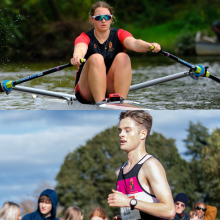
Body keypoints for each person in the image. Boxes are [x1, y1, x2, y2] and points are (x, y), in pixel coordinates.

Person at [70, 2, 161, 104]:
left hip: (109, 87)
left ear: (111, 19)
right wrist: (77, 56)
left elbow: (134, 43)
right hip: (86, 91)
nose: (103, 20)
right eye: (99, 18)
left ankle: (120, 101)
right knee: (96, 58)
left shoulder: (120, 34)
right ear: (92, 19)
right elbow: (80, 49)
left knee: (123, 57)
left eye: (107, 17)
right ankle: (100, 102)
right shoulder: (84, 37)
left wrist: (149, 45)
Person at [107, 110, 175, 220]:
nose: (121, 134)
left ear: (143, 134)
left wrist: (129, 202)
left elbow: (169, 211)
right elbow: (137, 212)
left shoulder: (150, 165)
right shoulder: (119, 171)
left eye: (127, 130)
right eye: (120, 131)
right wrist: (123, 217)